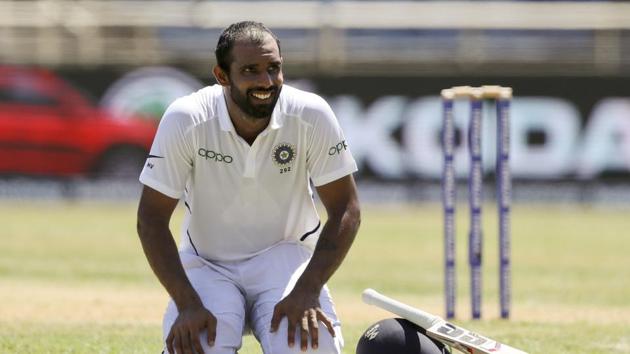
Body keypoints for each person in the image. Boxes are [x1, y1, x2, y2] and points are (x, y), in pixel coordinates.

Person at [136, 21, 361, 354]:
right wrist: (187, 304)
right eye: (251, 71)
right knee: (197, 347)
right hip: (208, 264)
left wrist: (308, 288)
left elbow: (346, 208)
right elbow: (151, 219)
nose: (266, 82)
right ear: (222, 75)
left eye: (274, 69)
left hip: (284, 258)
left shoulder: (311, 114)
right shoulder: (186, 118)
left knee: (310, 347)